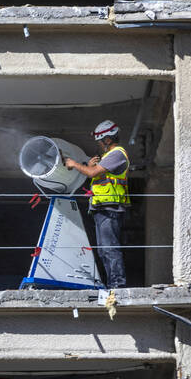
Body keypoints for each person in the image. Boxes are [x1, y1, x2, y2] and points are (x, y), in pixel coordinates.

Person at [63, 120, 129, 288]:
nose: (99, 145)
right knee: (103, 250)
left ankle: (117, 285)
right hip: (102, 208)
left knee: (109, 248)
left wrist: (74, 164)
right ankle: (111, 284)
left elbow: (92, 173)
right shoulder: (108, 158)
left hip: (110, 208)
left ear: (107, 140)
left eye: (100, 141)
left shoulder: (117, 154)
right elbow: (95, 173)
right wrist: (89, 166)